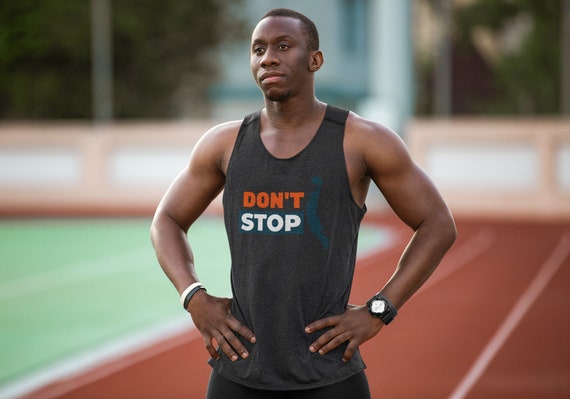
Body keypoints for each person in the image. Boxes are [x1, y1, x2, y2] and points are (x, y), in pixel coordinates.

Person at [151, 8, 456, 399]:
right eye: (258, 49)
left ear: (315, 60)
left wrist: (380, 310)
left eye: (283, 46)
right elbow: (167, 220)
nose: (268, 58)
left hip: (328, 374)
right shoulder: (224, 144)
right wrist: (192, 296)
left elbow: (437, 224)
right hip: (240, 370)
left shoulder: (361, 140)